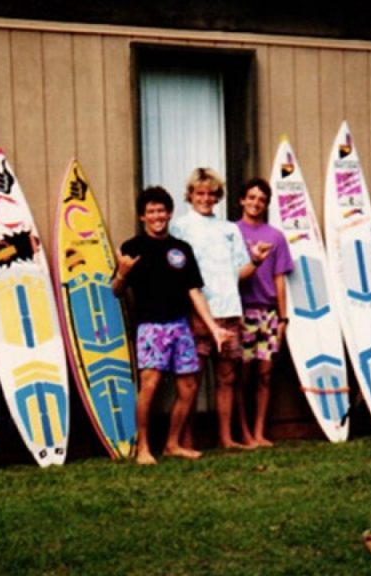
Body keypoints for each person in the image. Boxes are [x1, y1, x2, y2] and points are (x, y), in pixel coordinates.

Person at [113, 186, 227, 465]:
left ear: (170, 213)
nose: (157, 216)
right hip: (150, 327)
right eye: (151, 211)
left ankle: (172, 444)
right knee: (149, 386)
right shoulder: (132, 248)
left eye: (161, 210)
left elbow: (194, 291)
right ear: (142, 216)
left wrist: (213, 328)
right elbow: (115, 290)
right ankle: (143, 448)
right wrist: (122, 274)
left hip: (181, 326)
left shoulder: (181, 249)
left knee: (188, 387)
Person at [169, 168, 263, 449]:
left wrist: (256, 261)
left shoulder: (229, 229)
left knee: (227, 377)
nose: (205, 198)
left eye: (211, 193)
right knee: (191, 380)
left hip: (229, 310)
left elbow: (241, 272)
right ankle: (186, 440)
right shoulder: (180, 227)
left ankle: (226, 438)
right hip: (197, 312)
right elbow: (177, 271)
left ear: (218, 196)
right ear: (190, 195)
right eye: (200, 193)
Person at [235, 178, 294, 447]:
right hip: (242, 312)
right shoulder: (233, 232)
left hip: (268, 314)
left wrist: (283, 318)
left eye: (261, 199)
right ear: (241, 200)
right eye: (251, 197)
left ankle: (260, 432)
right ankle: (244, 432)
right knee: (242, 375)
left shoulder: (276, 237)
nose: (256, 203)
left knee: (265, 374)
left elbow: (280, 279)